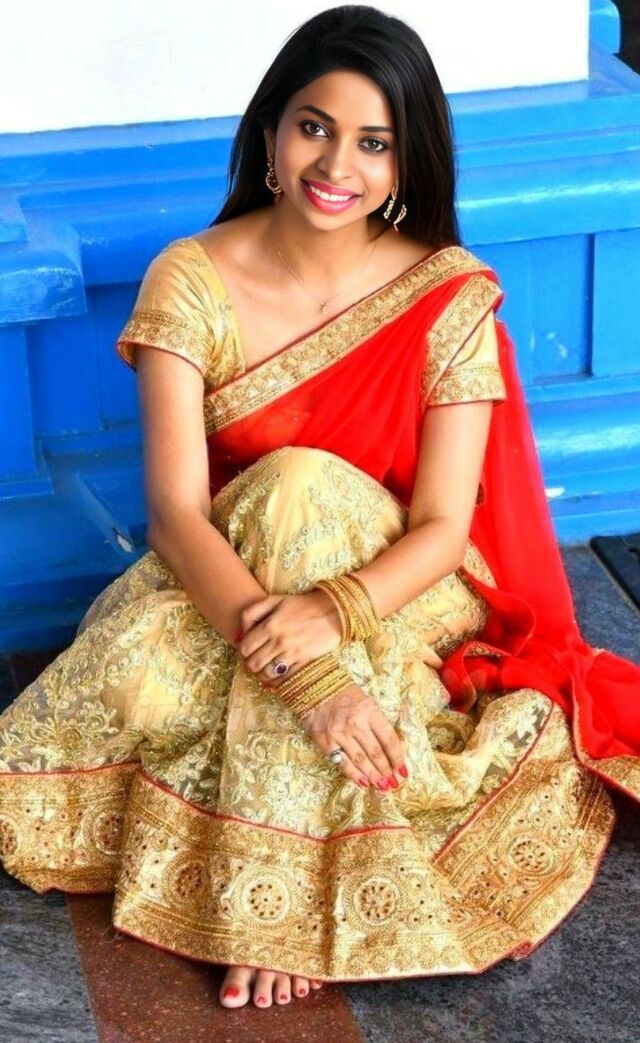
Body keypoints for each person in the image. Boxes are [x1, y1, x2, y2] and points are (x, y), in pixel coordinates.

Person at [1, 3, 639, 1013]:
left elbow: (441, 529)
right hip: (233, 584)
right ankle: (318, 799)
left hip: (392, 595)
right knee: (129, 683)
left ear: (406, 161)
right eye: (314, 127)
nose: (337, 163)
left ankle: (276, 897)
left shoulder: (444, 296)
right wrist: (315, 682)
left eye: (374, 143)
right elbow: (177, 515)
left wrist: (335, 616)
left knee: (303, 482)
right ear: (270, 133)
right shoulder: (192, 278)